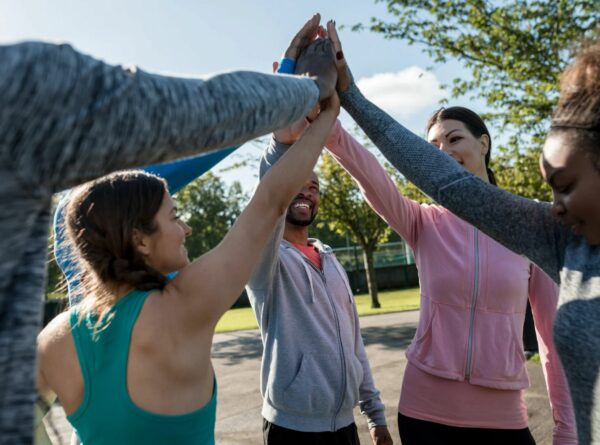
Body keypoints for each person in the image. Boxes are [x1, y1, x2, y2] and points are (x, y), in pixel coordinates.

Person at [0, 13, 335, 444]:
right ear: (138, 238)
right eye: (174, 216)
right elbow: (269, 199)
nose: (187, 227)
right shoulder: (185, 307)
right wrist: (322, 104)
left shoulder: (55, 338)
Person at [326, 22, 600, 444]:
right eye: (432, 147)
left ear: (484, 143)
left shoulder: (536, 228)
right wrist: (330, 120)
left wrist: (567, 432)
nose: (443, 152)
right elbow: (371, 175)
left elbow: (552, 341)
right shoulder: (422, 221)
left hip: (504, 419)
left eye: (454, 139)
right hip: (425, 413)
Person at [245, 55, 393, 445]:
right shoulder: (265, 261)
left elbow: (354, 343)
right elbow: (268, 200)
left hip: (345, 427)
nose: (307, 189)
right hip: (291, 428)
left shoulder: (331, 261)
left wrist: (375, 415)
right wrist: (283, 143)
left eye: (315, 186)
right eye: (298, 181)